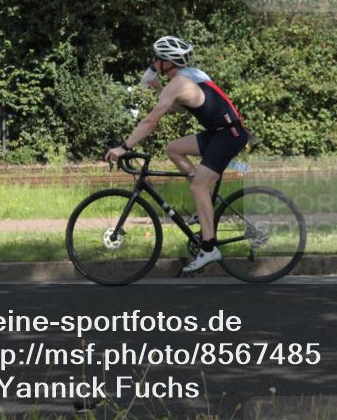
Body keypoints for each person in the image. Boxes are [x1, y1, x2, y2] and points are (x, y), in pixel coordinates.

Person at [105, 36, 250, 272]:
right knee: (173, 148)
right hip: (219, 133)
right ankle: (203, 207)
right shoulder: (190, 76)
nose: (153, 62)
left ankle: (209, 248)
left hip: (227, 136)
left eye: (156, 59)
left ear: (167, 63)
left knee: (198, 188)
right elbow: (181, 109)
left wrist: (125, 147)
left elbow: (151, 121)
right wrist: (159, 88)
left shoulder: (179, 83)